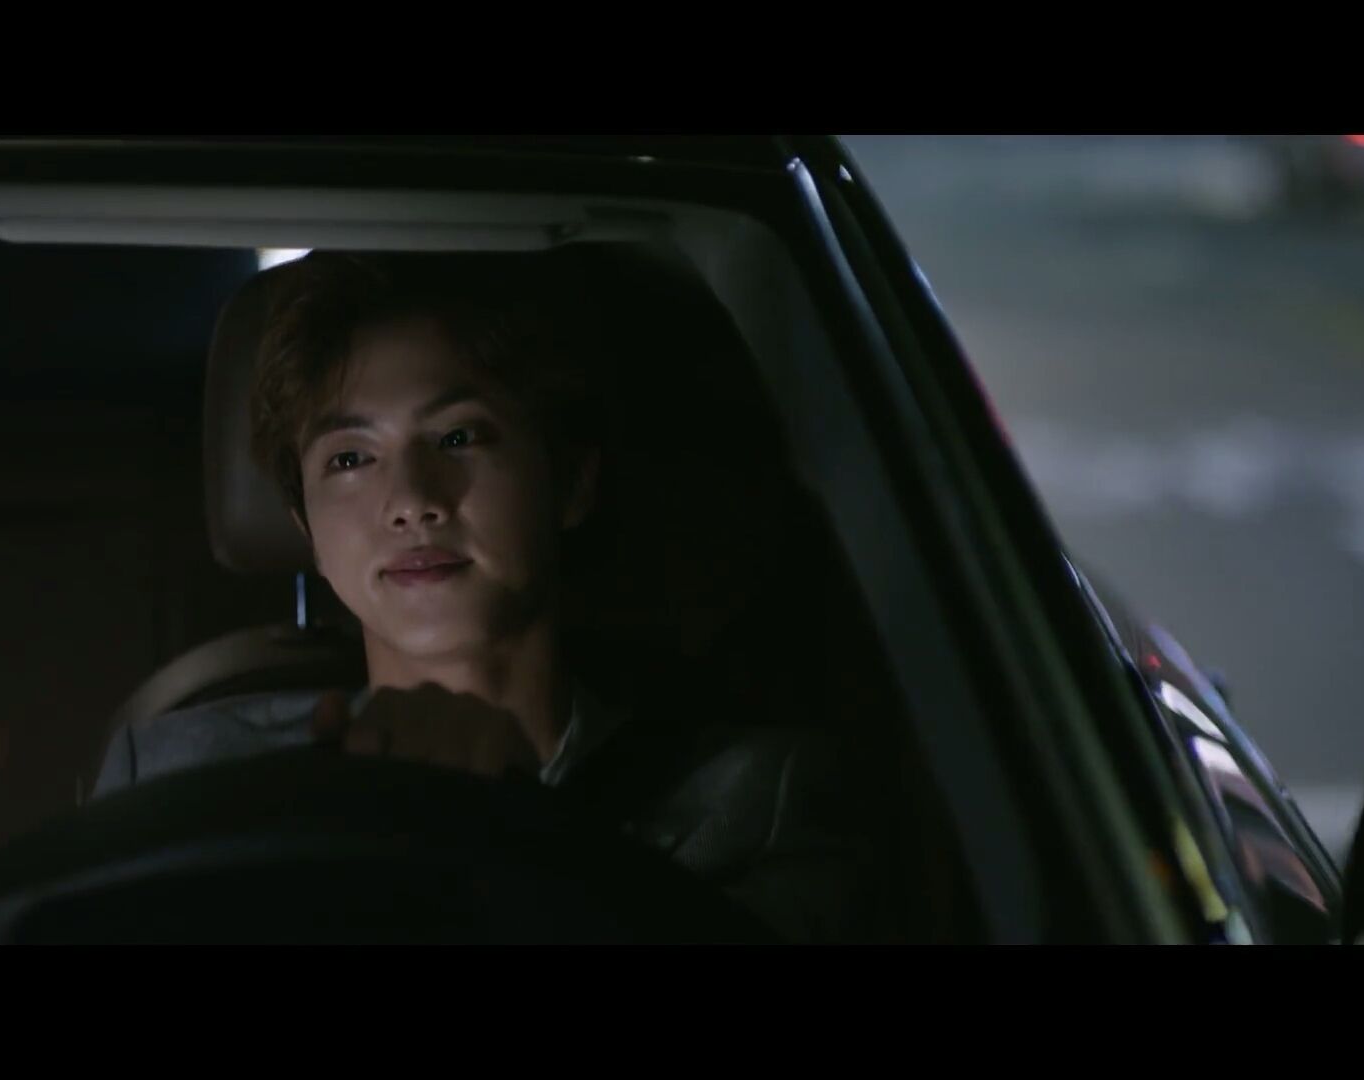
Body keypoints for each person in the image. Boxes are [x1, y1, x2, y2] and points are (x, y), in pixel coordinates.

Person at [92, 249, 931, 941]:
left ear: (569, 483)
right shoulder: (177, 778)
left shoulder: (759, 802)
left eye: (459, 436)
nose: (411, 500)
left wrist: (498, 833)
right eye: (350, 458)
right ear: (305, 523)